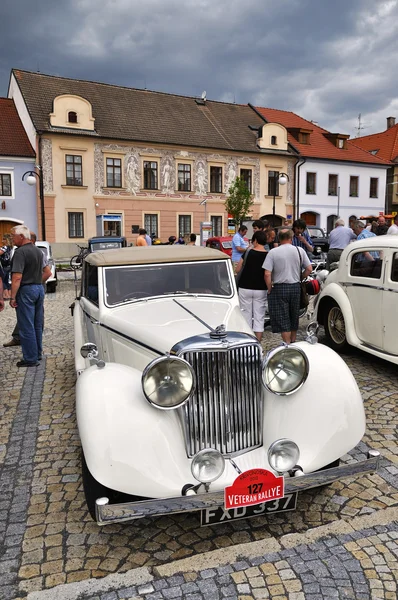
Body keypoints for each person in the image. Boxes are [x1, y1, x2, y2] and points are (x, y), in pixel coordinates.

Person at [9, 225, 51, 367]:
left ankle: (30, 358)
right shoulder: (38, 251)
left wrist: (13, 296)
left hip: (26, 290)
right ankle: (37, 353)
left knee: (26, 325)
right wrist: (37, 284)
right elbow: (47, 272)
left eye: (13, 236)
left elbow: (17, 277)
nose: (12, 239)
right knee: (37, 324)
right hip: (38, 288)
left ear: (21, 236)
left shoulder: (20, 252)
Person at [263, 229, 312, 344]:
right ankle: (293, 341)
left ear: (279, 239)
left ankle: (287, 343)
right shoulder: (299, 250)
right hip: (295, 287)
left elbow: (267, 273)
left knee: (282, 317)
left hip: (279, 288)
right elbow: (309, 269)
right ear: (291, 238)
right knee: (293, 316)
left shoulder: (273, 252)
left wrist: (269, 287)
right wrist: (300, 278)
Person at [236, 230, 268, 342]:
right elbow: (267, 273)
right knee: (259, 316)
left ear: (255, 240)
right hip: (261, 288)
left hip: (245, 286)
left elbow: (238, 268)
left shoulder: (248, 252)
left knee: (245, 315)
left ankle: (247, 342)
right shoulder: (268, 255)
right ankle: (257, 342)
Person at [0, 234, 13, 300]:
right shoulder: (10, 247)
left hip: (4, 266)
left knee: (3, 280)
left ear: (6, 240)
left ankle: (6, 295)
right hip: (9, 266)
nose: (2, 241)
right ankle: (9, 294)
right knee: (7, 280)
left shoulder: (5, 247)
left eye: (3, 239)